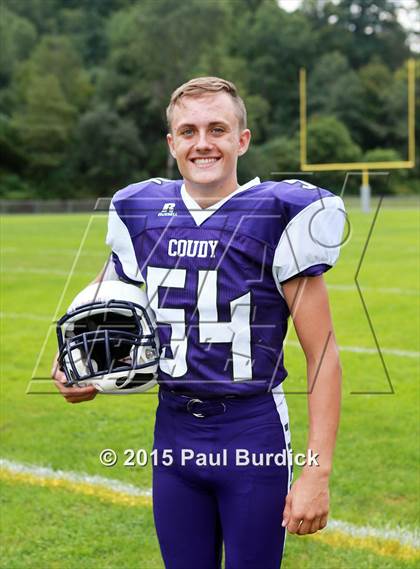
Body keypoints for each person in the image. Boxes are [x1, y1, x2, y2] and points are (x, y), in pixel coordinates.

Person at [52, 76, 345, 569]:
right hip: (173, 431)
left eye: (217, 129)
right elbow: (103, 310)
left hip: (253, 431)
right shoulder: (142, 211)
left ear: (241, 140)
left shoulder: (278, 215)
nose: (203, 142)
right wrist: (78, 369)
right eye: (188, 131)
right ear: (172, 144)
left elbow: (324, 354)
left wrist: (317, 471)